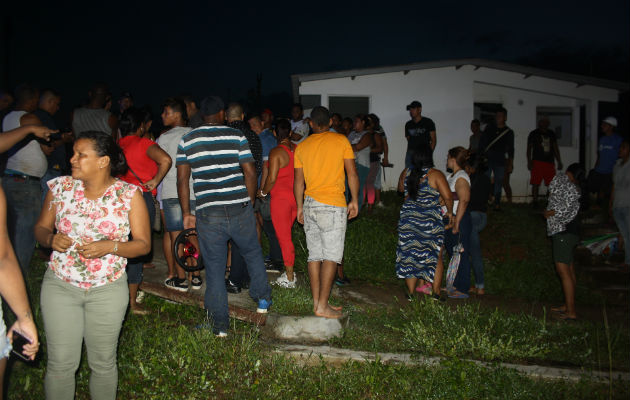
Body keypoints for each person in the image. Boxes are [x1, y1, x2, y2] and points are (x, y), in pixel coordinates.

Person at [34, 130, 151, 399]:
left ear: (103, 161)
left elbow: (144, 244)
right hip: (60, 285)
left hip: (108, 289)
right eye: (73, 153)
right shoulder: (60, 188)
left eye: (80, 155)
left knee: (103, 363)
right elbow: (40, 228)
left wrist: (110, 246)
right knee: (61, 364)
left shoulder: (129, 195)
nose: (72, 159)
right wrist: (50, 238)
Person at [176, 96, 272, 336]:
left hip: (209, 213)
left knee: (216, 269)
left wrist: (187, 212)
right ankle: (262, 300)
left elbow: (182, 180)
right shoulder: (236, 136)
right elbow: (250, 172)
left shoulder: (187, 140)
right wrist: (248, 203)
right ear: (221, 114)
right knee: (252, 252)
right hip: (239, 207)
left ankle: (219, 326)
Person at [294, 106, 359, 318]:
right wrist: (355, 200)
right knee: (331, 257)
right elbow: (352, 174)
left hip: (310, 204)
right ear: (330, 122)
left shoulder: (302, 147)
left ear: (311, 123)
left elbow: (298, 182)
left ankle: (318, 303)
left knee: (315, 257)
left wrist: (299, 207)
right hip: (332, 205)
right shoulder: (341, 141)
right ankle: (322, 306)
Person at [118, 108, 172, 314]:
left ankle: (121, 295)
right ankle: (132, 301)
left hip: (118, 199)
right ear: (141, 126)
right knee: (137, 250)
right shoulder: (143, 144)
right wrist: (155, 181)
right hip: (139, 199)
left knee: (121, 247)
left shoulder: (117, 145)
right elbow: (166, 160)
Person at [1, 83, 49, 274]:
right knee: (26, 231)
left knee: (10, 229)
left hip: (10, 178)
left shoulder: (8, 117)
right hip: (26, 182)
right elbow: (46, 146)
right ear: (32, 99)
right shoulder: (30, 118)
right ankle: (19, 275)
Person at [395, 145, 453, 301]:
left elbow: (400, 190)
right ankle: (436, 293)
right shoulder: (436, 175)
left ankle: (411, 293)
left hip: (409, 220)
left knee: (410, 255)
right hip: (430, 221)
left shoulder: (406, 172)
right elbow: (448, 196)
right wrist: (449, 212)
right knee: (436, 255)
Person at [156, 98, 201, 291]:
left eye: (166, 112)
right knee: (193, 233)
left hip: (172, 191)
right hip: (194, 191)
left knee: (176, 235)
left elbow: (160, 164)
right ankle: (197, 275)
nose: (162, 116)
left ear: (177, 114)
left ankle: (181, 279)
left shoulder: (164, 138)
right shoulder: (195, 135)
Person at [226, 103, 263, 293]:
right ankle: (246, 277)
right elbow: (257, 169)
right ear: (242, 116)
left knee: (232, 238)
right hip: (250, 191)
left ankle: (234, 279)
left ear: (227, 117)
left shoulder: (224, 136)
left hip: (230, 192)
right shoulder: (254, 137)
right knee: (247, 237)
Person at [260, 119, 297, 288]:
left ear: (275, 133)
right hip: (295, 199)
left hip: (280, 201)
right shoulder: (297, 149)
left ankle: (290, 278)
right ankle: (289, 271)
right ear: (289, 133)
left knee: (284, 239)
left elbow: (271, 179)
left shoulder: (276, 152)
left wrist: (263, 192)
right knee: (286, 236)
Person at [545, 163, 584, 321]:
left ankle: (571, 311)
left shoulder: (566, 184)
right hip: (571, 231)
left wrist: (551, 212)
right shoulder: (575, 188)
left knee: (563, 272)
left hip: (563, 231)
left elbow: (564, 208)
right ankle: (569, 305)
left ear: (569, 173)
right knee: (569, 269)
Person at [247, 114, 283, 273]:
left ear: (262, 122)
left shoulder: (266, 139)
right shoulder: (259, 138)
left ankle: (276, 259)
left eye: (255, 124)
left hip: (264, 189)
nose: (253, 127)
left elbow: (267, 167)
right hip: (260, 188)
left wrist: (262, 190)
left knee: (269, 225)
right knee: (261, 222)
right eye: (251, 125)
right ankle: (265, 256)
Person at [443, 147, 473, 298]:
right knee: (453, 252)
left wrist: (457, 223)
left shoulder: (461, 176)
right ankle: (453, 285)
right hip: (451, 217)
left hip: (458, 218)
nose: (446, 160)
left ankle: (462, 288)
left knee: (460, 252)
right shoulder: (451, 177)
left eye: (447, 157)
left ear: (453, 159)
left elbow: (464, 199)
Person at [34, 89, 73, 201]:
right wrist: (64, 139)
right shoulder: (42, 117)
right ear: (50, 101)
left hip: (46, 169)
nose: (57, 108)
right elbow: (49, 145)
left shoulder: (38, 116)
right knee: (49, 204)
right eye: (56, 104)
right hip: (49, 168)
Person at [465, 153, 492, 295]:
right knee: (471, 251)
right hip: (482, 216)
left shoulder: (469, 179)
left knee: (473, 253)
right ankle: (477, 285)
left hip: (471, 216)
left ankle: (479, 286)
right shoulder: (487, 179)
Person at [481, 107, 514, 210]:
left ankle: (497, 203)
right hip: (487, 159)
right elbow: (482, 143)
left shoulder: (508, 132)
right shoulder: (489, 128)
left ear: (505, 117)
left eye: (500, 116)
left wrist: (510, 163)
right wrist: (481, 157)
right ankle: (484, 202)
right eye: (497, 116)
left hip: (500, 160)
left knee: (499, 182)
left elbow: (511, 149)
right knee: (485, 181)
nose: (498, 118)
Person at [527, 116, 563, 206]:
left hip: (549, 162)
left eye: (546, 122)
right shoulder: (534, 133)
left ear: (548, 123)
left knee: (551, 183)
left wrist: (559, 161)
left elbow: (555, 148)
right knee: (535, 182)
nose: (545, 123)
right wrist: (529, 161)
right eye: (543, 121)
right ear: (539, 123)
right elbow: (529, 148)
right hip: (537, 161)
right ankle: (535, 202)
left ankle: (549, 201)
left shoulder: (551, 133)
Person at [588, 116, 623, 206]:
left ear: (611, 127)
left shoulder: (618, 140)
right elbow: (599, 155)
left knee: (606, 190)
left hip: (611, 170)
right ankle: (598, 207)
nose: (602, 126)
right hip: (600, 169)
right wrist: (596, 166)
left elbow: (622, 156)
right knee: (597, 188)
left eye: (605, 125)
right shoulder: (602, 139)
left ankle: (605, 208)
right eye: (602, 124)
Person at [347, 114, 373, 210]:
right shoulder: (352, 133)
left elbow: (358, 147)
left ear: (363, 123)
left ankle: (357, 210)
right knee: (346, 186)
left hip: (362, 164)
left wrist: (345, 147)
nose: (354, 123)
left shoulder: (367, 135)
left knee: (358, 187)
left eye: (356, 121)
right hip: (350, 163)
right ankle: (346, 208)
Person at [611, 140, 630, 269]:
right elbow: (614, 185)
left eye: (623, 148)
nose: (620, 150)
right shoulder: (617, 165)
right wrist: (610, 204)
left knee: (628, 234)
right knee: (624, 234)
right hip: (617, 205)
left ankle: (628, 261)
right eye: (620, 148)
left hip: (628, 204)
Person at [365, 114, 384, 212]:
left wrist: (366, 150)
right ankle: (364, 203)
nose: (367, 123)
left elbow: (380, 148)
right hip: (363, 162)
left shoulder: (375, 134)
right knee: (364, 184)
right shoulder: (361, 134)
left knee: (371, 183)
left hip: (373, 162)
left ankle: (372, 205)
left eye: (369, 121)